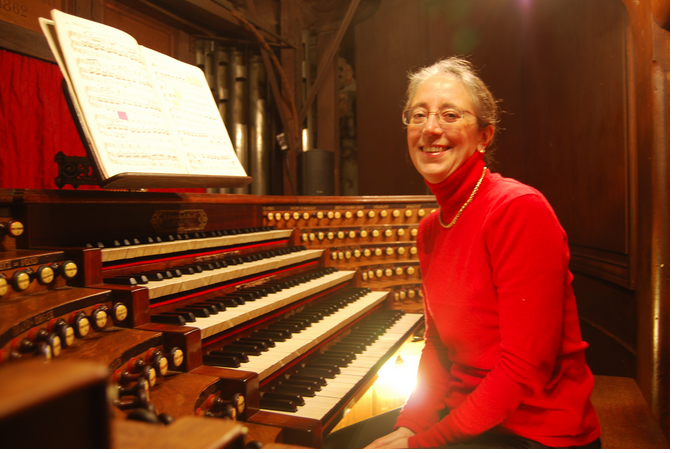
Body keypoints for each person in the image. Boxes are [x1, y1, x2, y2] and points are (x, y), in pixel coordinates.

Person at [323, 57, 601, 449]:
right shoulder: (431, 228)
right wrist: (411, 424)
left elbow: (523, 368)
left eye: (450, 114)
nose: (430, 128)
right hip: (462, 413)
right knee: (333, 446)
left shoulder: (518, 209)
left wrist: (422, 444)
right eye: (418, 115)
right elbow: (438, 346)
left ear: (484, 136)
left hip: (534, 429)